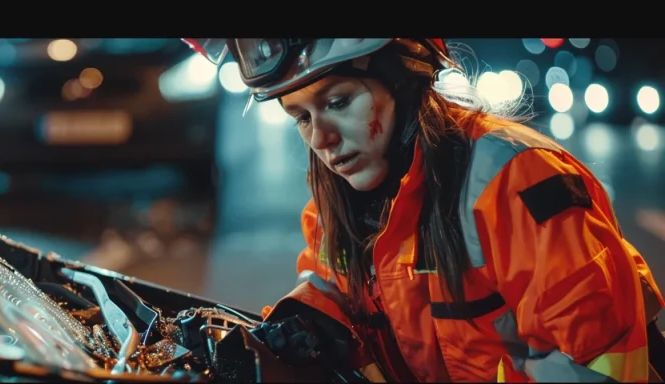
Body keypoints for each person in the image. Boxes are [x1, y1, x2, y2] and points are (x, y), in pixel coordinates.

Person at [181, 38, 665, 382]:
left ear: (402, 82)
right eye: (302, 117)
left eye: (339, 101)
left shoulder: (518, 185)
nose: (321, 139)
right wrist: (307, 323)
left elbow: (598, 364)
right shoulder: (339, 207)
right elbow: (333, 286)